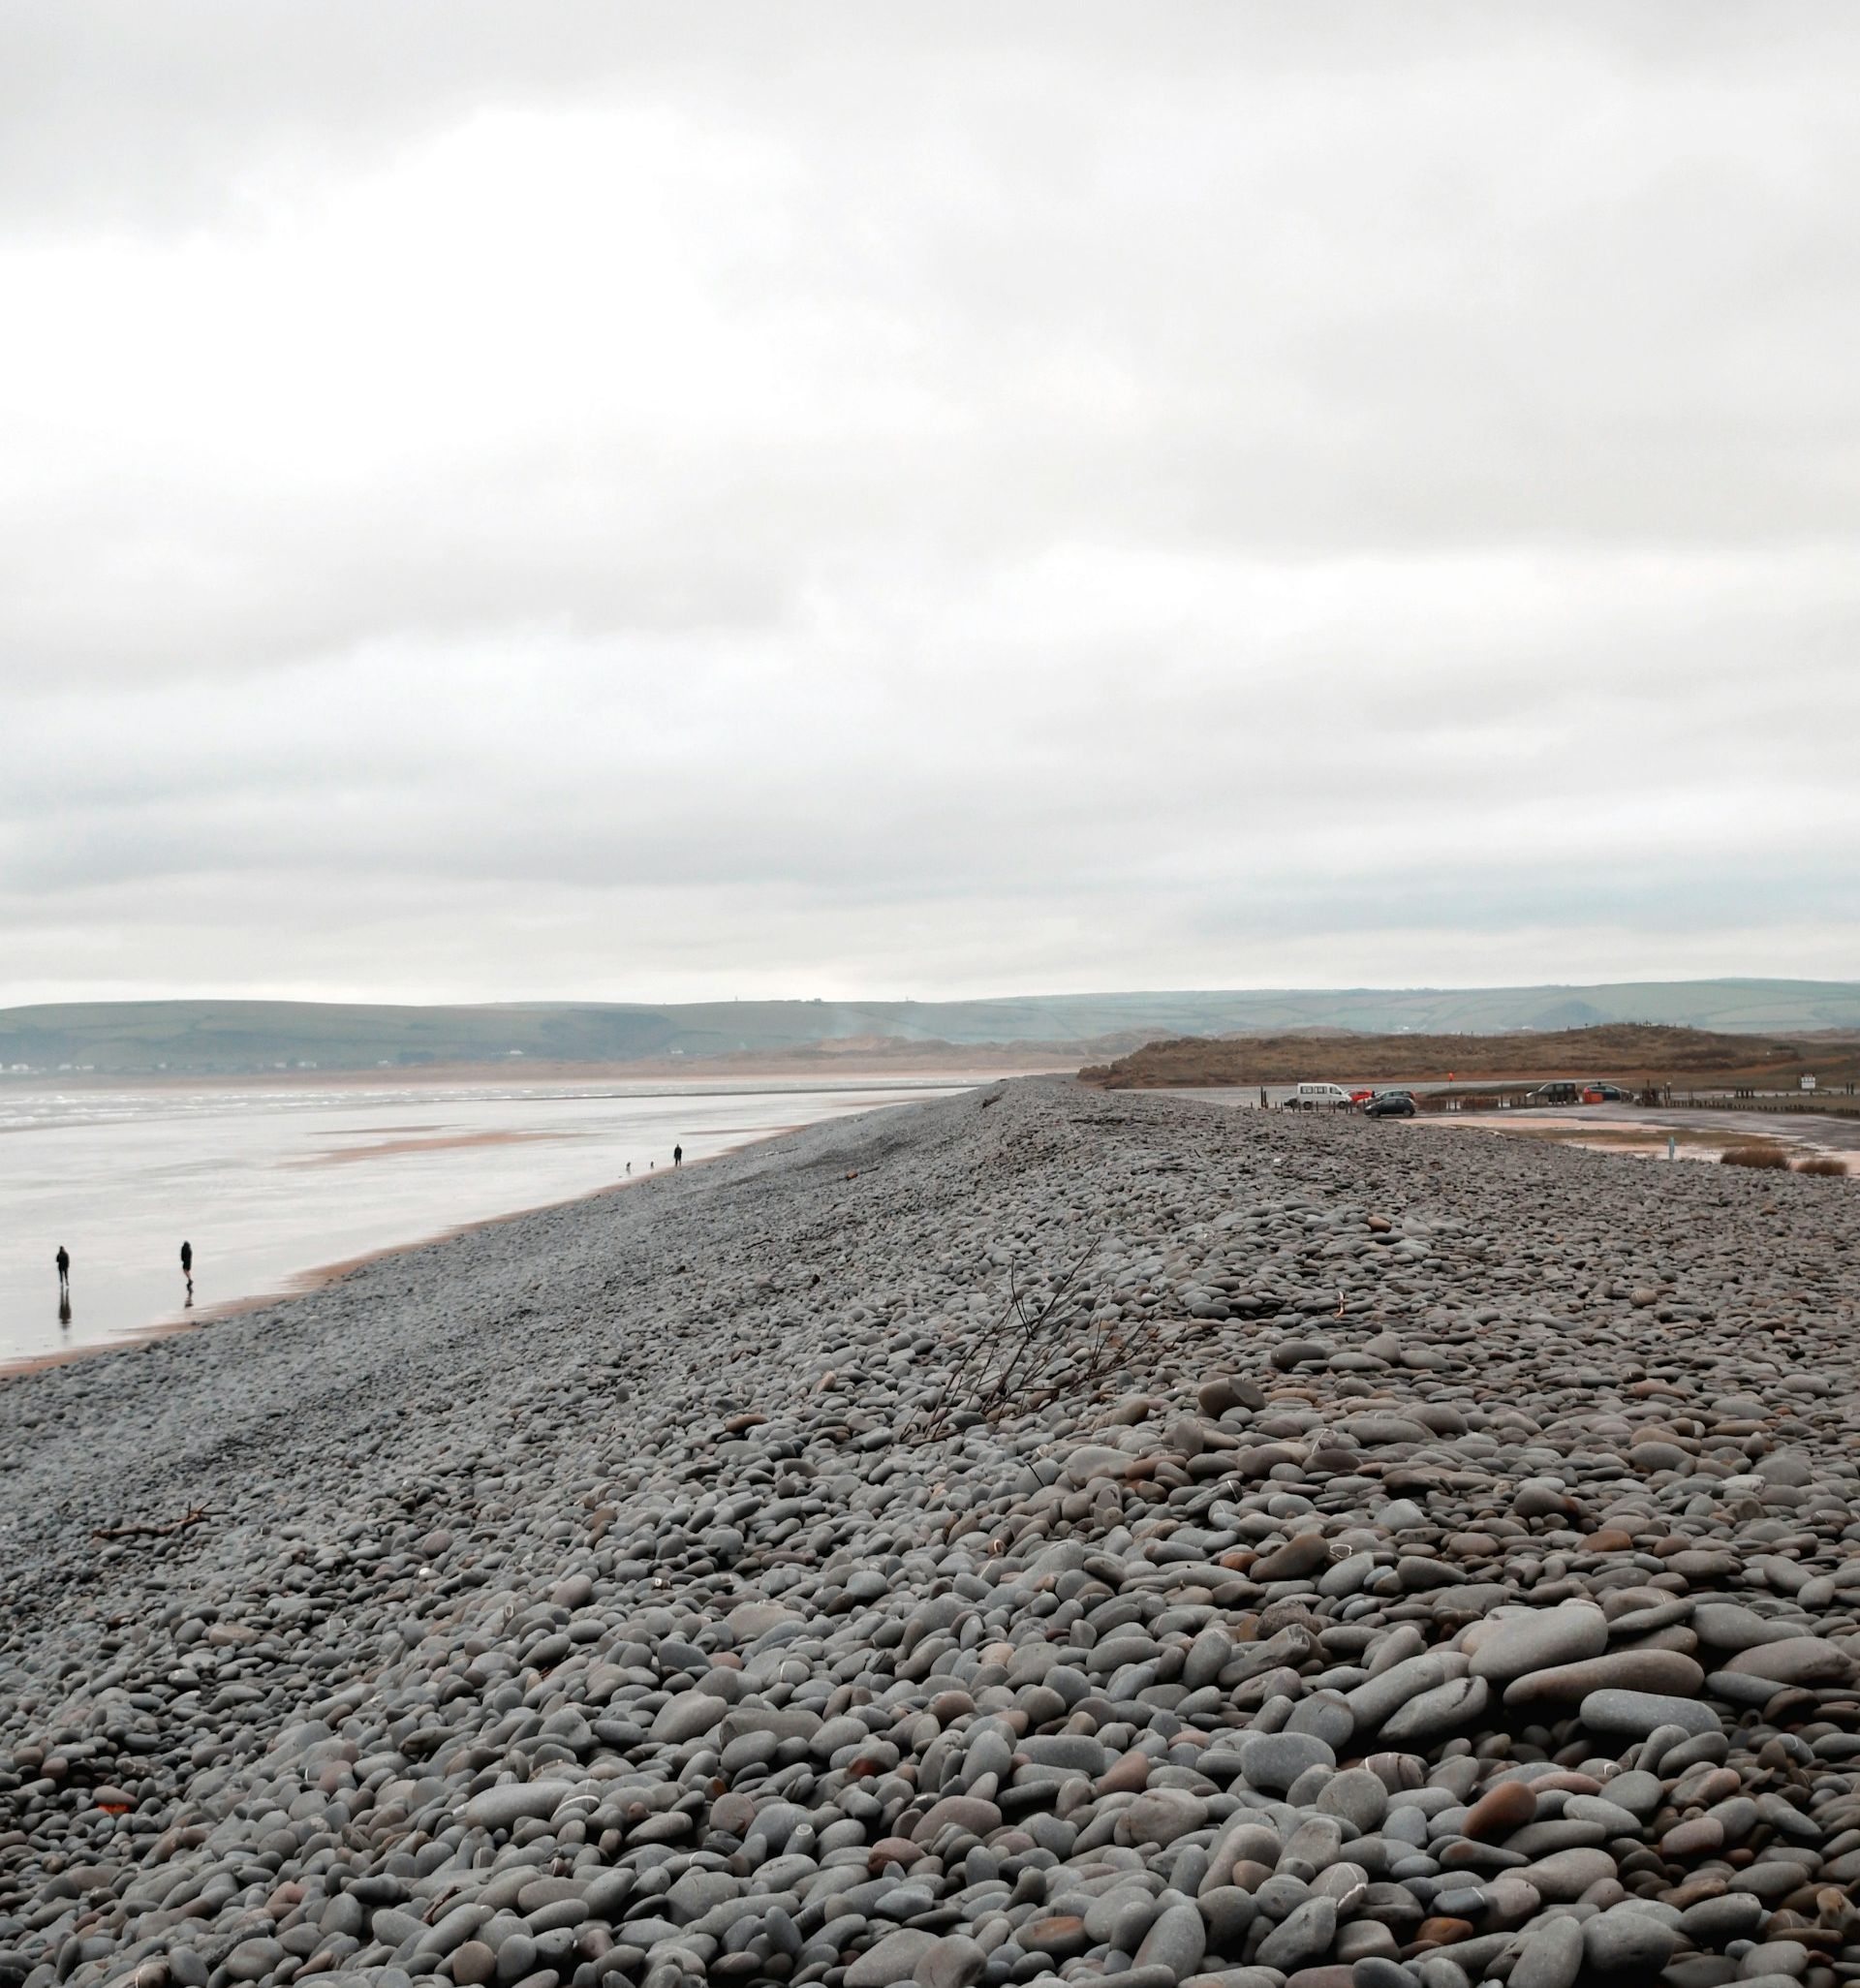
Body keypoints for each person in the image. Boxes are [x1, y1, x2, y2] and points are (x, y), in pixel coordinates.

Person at [181, 1238, 195, 1304]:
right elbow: (191, 1255)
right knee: (187, 1271)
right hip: (189, 1261)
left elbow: (182, 1256)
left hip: (185, 1261)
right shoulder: (189, 1249)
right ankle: (189, 1279)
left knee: (184, 1270)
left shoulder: (184, 1248)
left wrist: (183, 1260)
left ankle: (189, 1279)